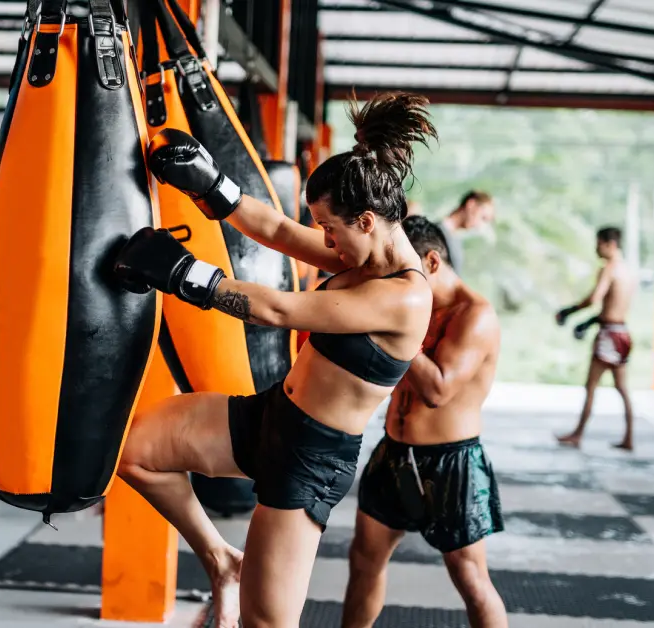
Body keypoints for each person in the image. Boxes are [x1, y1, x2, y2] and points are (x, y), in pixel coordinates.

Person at [110, 92, 437, 628]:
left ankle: (237, 578)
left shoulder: (404, 296)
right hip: (269, 417)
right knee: (136, 452)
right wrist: (214, 186)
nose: (326, 240)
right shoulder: (360, 253)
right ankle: (221, 560)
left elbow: (278, 310)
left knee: (265, 624)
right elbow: (281, 231)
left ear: (367, 220)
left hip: (308, 460)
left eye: (331, 228)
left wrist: (185, 275)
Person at [341, 216, 507, 628]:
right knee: (363, 562)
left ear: (431, 261)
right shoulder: (418, 305)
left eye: (405, 273)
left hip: (451, 463)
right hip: (394, 451)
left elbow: (438, 390)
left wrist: (391, 327)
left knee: (469, 577)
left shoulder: (475, 315)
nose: (397, 286)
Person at [555, 226, 638, 451]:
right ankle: (629, 437)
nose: (596, 249)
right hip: (622, 332)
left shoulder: (609, 269)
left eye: (598, 244)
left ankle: (578, 434)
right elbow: (613, 308)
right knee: (622, 388)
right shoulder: (628, 271)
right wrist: (589, 322)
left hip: (609, 334)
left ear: (610, 245)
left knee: (591, 386)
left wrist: (569, 311)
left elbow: (594, 299)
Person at [438, 190, 496, 275]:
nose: (480, 226)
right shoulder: (436, 233)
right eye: (483, 218)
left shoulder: (455, 239)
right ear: (471, 205)